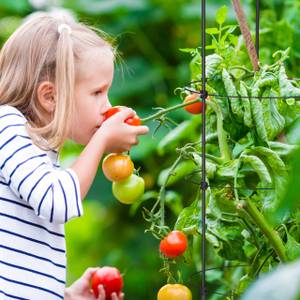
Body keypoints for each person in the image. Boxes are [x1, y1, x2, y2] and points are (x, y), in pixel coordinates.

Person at [0, 12, 148, 300]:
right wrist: (103, 139)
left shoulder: (37, 150)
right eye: (97, 92)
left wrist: (66, 296)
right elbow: (56, 202)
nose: (107, 106)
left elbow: (22, 269)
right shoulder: (7, 126)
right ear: (50, 97)